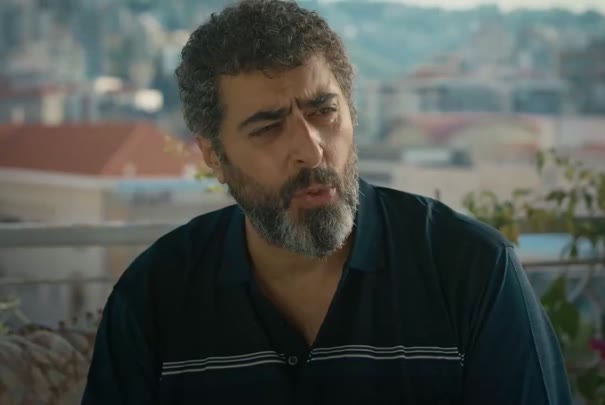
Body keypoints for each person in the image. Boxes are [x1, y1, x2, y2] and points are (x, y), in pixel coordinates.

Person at [81, 0, 573, 403]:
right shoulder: (155, 296)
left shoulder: (471, 270)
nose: (312, 150)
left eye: (324, 112)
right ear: (214, 155)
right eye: (268, 128)